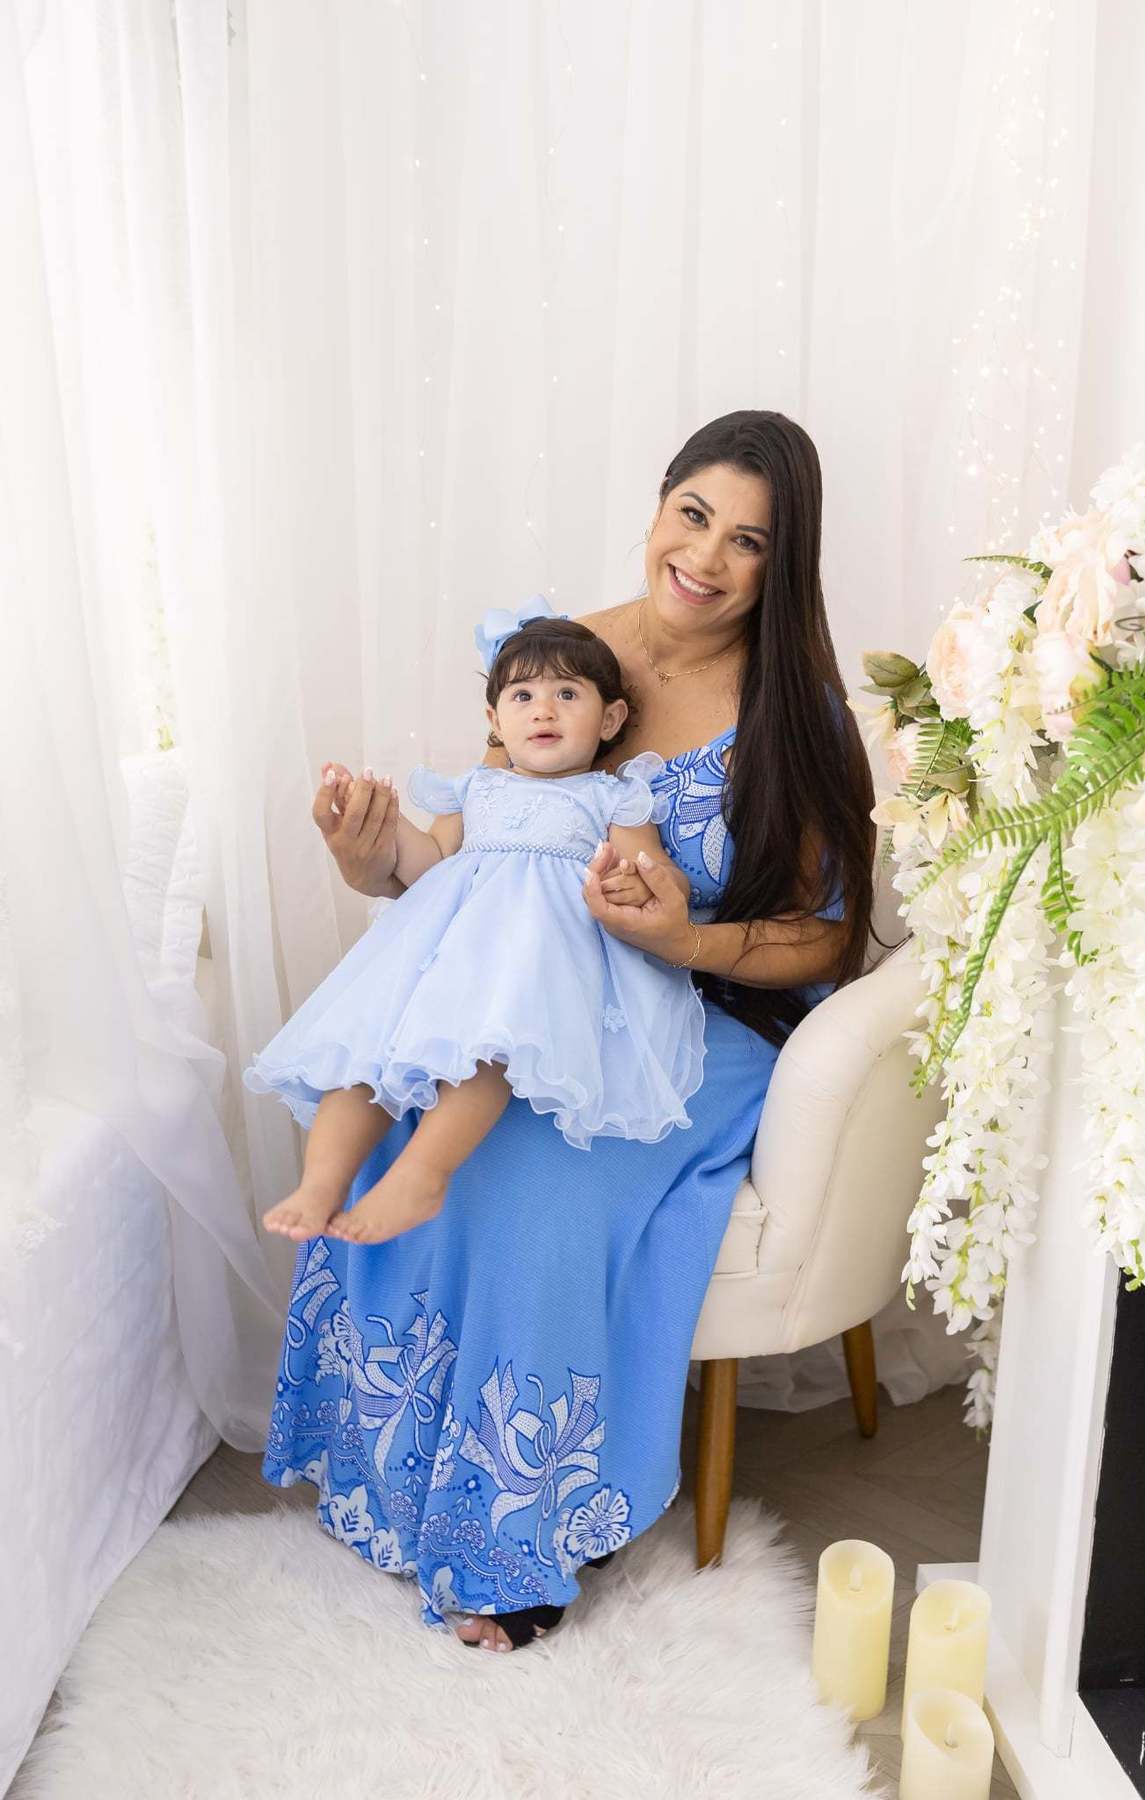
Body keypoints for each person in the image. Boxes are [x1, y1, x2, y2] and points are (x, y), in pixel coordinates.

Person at [260, 410, 876, 1653]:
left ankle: (511, 1541)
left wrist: (680, 942)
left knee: (528, 1184)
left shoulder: (790, 713)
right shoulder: (565, 650)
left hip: (702, 1014)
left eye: (748, 541)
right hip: (536, 999)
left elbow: (827, 939)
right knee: (405, 1124)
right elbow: (482, 864)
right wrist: (375, 859)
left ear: (781, 563)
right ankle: (392, 1474)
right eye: (693, 514)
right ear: (656, 506)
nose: (705, 556)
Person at [243, 612, 704, 1245]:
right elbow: (427, 864)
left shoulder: (609, 797)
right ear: (495, 722)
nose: (544, 710)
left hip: (535, 963)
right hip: (442, 954)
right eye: (523, 696)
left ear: (611, 720)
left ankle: (423, 1175)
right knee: (364, 1051)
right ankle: (320, 1183)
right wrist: (376, 820)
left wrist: (645, 884)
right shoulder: (475, 788)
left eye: (567, 694)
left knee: (486, 1052)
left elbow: (661, 876)